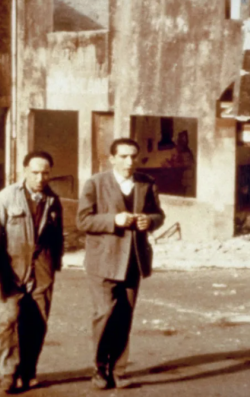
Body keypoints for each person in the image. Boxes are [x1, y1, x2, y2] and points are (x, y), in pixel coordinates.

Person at [77, 138, 164, 390]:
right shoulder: (95, 183)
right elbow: (83, 220)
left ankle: (118, 370)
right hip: (103, 259)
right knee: (104, 313)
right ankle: (99, 368)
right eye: (123, 156)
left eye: (133, 156)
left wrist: (150, 220)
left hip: (133, 260)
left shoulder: (146, 183)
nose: (129, 162)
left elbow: (158, 213)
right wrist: (114, 219)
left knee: (125, 316)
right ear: (112, 158)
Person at [0, 151, 64, 393]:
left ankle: (28, 371)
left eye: (45, 173)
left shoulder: (52, 201)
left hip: (42, 270)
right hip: (11, 269)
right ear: (24, 171)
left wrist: (53, 264)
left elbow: (56, 237)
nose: (40, 178)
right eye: (35, 172)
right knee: (6, 322)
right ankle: (8, 373)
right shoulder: (6, 198)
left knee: (37, 323)